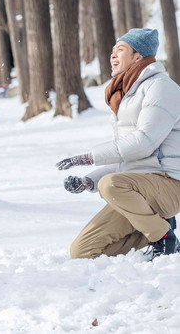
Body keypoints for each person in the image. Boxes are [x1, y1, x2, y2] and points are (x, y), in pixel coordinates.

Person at [59, 28, 180, 260]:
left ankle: (164, 237)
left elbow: (142, 144)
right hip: (137, 190)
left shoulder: (161, 88)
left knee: (111, 185)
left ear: (138, 56)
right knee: (82, 252)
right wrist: (88, 181)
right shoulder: (126, 96)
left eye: (120, 49)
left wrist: (87, 157)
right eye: (113, 50)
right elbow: (127, 157)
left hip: (170, 183)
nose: (113, 54)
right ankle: (157, 225)